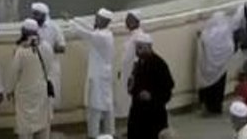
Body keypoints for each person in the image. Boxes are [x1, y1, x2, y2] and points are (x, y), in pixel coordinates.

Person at [66, 8, 114, 138]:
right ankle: (109, 133)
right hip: (102, 75)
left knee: (95, 108)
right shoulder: (105, 32)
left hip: (99, 77)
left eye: (98, 18)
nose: (95, 20)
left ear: (105, 21)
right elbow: (89, 27)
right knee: (106, 107)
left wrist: (70, 22)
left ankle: (94, 135)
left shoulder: (101, 36)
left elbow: (83, 33)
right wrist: (75, 18)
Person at [6, 19, 53, 139]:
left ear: (23, 32)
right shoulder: (46, 47)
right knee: (42, 123)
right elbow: (48, 68)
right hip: (41, 91)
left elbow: (14, 73)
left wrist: (9, 90)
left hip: (24, 93)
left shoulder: (21, 51)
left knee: (25, 127)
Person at [125, 33, 172, 139]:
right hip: (137, 112)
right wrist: (132, 87)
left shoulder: (159, 64)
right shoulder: (138, 64)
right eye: (137, 48)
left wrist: (152, 96)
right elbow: (133, 84)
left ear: (149, 47)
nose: (138, 51)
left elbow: (167, 88)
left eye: (141, 48)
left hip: (154, 115)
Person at [195, 11, 234, 115]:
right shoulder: (226, 31)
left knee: (208, 86)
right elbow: (231, 47)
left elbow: (204, 40)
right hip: (221, 68)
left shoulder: (209, 32)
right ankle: (216, 108)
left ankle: (206, 107)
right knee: (219, 87)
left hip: (208, 66)